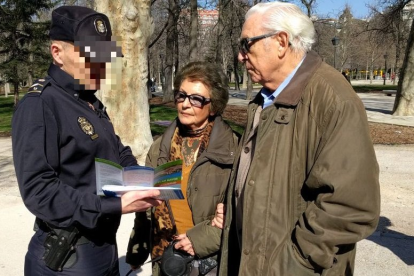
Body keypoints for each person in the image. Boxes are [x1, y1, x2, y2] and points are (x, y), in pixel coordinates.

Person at [216, 2, 381, 276]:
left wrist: (292, 264)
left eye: (247, 44)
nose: (240, 56)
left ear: (281, 42)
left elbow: (351, 206)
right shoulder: (267, 99)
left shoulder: (332, 99)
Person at [12, 6, 162, 276]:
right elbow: (39, 192)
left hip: (103, 248)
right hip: (68, 255)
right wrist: (114, 205)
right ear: (57, 52)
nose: (100, 63)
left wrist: (144, 180)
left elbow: (117, 149)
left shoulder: (89, 100)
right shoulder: (41, 104)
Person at [126, 61, 239, 275]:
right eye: (181, 95)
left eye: (196, 99)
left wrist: (208, 236)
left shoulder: (233, 149)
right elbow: (146, 209)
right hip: (166, 259)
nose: (185, 104)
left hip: (209, 262)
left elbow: (240, 213)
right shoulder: (160, 147)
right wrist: (136, 251)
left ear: (213, 105)